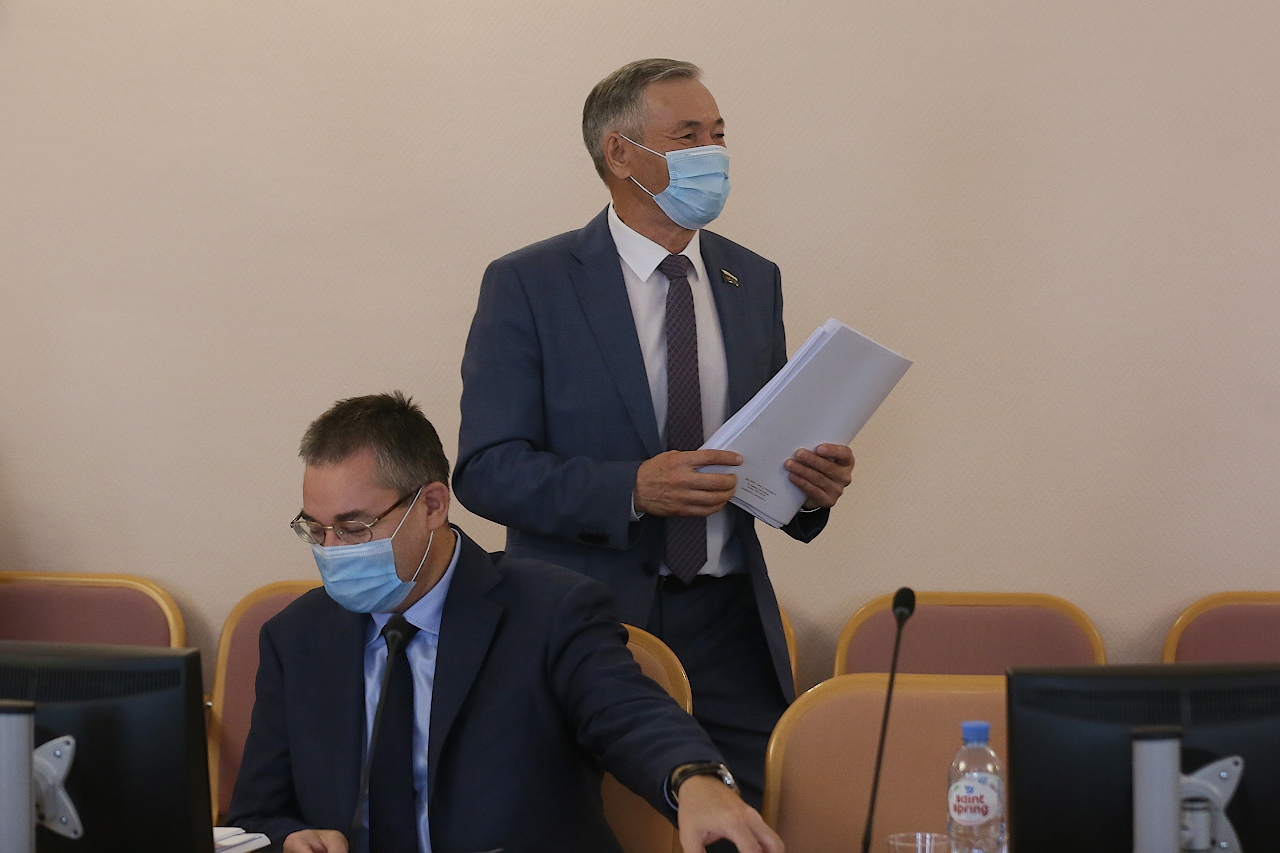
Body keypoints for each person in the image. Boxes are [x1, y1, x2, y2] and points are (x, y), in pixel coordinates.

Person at [454, 59, 855, 809]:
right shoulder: (531, 283)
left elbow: (761, 447)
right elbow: (486, 469)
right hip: (584, 621)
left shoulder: (752, 279)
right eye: (689, 136)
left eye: (719, 135)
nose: (714, 154)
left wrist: (808, 487)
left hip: (728, 619)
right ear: (620, 153)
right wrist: (631, 490)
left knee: (753, 820)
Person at [226, 392, 783, 853]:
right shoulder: (297, 637)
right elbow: (257, 816)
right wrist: (289, 838)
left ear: (432, 506)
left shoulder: (550, 610)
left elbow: (629, 715)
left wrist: (695, 780)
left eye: (353, 528)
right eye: (315, 529)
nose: (331, 550)